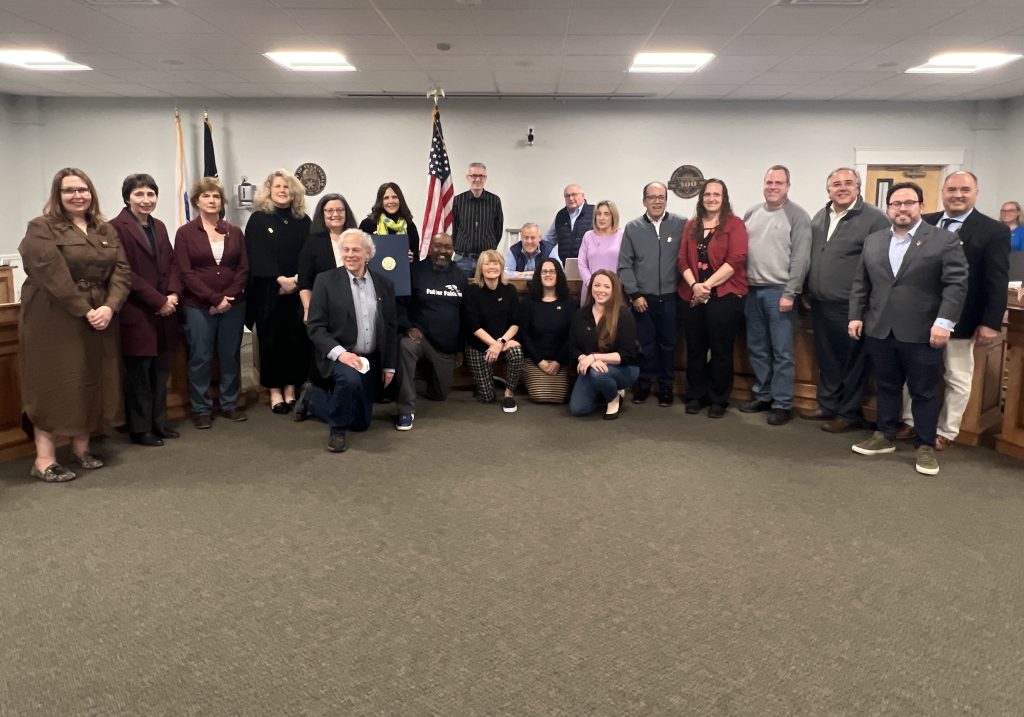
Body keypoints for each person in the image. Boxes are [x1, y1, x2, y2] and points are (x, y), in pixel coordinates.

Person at [18, 167, 131, 482]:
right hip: (54, 316)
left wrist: (109, 306)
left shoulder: (104, 229)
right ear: (58, 195)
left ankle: (82, 449)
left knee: (89, 376)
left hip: (99, 313)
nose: (77, 195)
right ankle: (44, 459)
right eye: (69, 190)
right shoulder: (41, 228)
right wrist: (85, 309)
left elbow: (122, 271)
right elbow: (51, 274)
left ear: (91, 193)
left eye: (83, 189)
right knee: (53, 382)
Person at [848, 182, 968, 476]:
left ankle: (925, 445)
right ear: (888, 208)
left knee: (924, 391)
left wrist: (944, 323)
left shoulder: (943, 240)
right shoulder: (874, 240)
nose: (902, 208)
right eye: (896, 204)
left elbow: (956, 284)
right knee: (887, 385)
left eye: (909, 203)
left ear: (921, 206)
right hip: (880, 328)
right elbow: (862, 282)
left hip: (923, 330)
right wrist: (856, 316)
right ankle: (884, 435)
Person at [897, 171, 1011, 450]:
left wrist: (991, 322)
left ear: (976, 193)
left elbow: (997, 279)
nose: (957, 195)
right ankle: (911, 422)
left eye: (965, 190)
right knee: (914, 372)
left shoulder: (993, 230)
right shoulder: (925, 221)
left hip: (963, 318)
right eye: (951, 190)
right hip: (919, 316)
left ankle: (946, 430)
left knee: (957, 376)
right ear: (943, 192)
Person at [802, 167, 891, 433]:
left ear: (858, 187)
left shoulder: (875, 219)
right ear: (828, 189)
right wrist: (806, 289)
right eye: (836, 184)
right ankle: (828, 405)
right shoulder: (821, 216)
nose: (842, 188)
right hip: (820, 303)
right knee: (828, 359)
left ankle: (849, 413)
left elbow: (880, 266)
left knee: (854, 362)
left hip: (852, 306)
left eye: (848, 183)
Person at [294, 229, 397, 453]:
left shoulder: (384, 284)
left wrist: (389, 366)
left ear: (368, 253)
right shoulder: (325, 281)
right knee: (349, 380)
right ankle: (337, 431)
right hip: (340, 355)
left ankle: (313, 399)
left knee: (361, 423)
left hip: (370, 360)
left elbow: (390, 328)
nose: (350, 254)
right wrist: (342, 354)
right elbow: (315, 327)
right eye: (346, 250)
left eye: (356, 250)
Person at [110, 173, 181, 447]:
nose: (146, 199)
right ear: (127, 198)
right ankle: (140, 429)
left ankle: (159, 423)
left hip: (164, 312)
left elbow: (172, 263)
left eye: (150, 194)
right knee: (139, 374)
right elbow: (124, 272)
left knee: (161, 372)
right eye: (139, 194)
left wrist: (172, 294)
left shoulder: (159, 226)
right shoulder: (115, 227)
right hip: (137, 311)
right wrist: (157, 301)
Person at [739, 165, 812, 426]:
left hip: (780, 291)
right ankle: (764, 395)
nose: (773, 187)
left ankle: (782, 403)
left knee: (782, 351)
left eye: (778, 183)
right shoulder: (752, 213)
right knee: (757, 347)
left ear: (788, 186)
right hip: (752, 291)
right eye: (769, 182)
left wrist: (791, 292)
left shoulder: (798, 216)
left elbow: (801, 258)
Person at [175, 177, 249, 429]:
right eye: (206, 196)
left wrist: (227, 297)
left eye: (216, 196)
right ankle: (201, 408)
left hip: (233, 305)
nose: (211, 200)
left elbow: (243, 268)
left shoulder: (234, 231)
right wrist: (215, 298)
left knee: (230, 355)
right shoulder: (185, 233)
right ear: (197, 201)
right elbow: (185, 272)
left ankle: (229, 403)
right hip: (198, 305)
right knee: (201, 357)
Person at [677, 178, 749, 418]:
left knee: (721, 350)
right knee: (695, 349)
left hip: (724, 296)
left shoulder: (735, 225)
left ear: (724, 198)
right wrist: (695, 286)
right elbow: (682, 260)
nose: (711, 198)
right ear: (701, 198)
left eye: (716, 194)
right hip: (692, 294)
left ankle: (718, 398)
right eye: (707, 194)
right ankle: (696, 395)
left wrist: (706, 285)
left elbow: (735, 260)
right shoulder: (692, 225)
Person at [244, 169, 311, 414]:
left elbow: (309, 253)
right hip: (268, 291)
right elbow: (255, 253)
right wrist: (279, 279)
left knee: (296, 340)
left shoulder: (303, 220)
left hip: (297, 291)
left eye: (287, 186)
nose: (283, 190)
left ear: (294, 192)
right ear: (269, 191)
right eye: (278, 186)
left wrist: (296, 280)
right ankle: (274, 390)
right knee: (271, 341)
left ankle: (291, 388)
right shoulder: (258, 219)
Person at [618, 181, 686, 407]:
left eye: (661, 197)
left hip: (670, 297)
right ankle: (644, 384)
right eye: (652, 197)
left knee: (668, 345)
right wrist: (634, 294)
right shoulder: (633, 228)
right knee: (644, 345)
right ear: (644, 201)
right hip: (642, 299)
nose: (657, 201)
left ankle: (666, 387)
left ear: (666, 200)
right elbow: (625, 265)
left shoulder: (681, 224)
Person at [395, 232, 468, 431]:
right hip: (420, 338)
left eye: (447, 247)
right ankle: (405, 409)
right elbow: (400, 303)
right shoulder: (415, 271)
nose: (442, 251)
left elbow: (464, 315)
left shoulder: (460, 276)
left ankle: (409, 384)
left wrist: (460, 348)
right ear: (430, 248)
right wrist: (408, 327)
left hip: (445, 344)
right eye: (438, 246)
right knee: (405, 346)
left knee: (440, 394)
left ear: (453, 250)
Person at [568, 270, 640, 419]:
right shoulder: (581, 314)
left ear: (614, 290)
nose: (601, 290)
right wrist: (585, 359)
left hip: (624, 368)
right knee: (578, 408)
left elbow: (627, 354)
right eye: (597, 285)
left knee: (598, 374)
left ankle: (613, 398)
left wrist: (594, 357)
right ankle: (606, 388)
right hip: (592, 368)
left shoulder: (624, 314)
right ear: (591, 288)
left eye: (606, 286)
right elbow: (572, 347)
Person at [462, 250, 523, 413]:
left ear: (501, 266)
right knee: (487, 397)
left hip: (503, 343)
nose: (491, 267)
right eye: (487, 263)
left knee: (516, 352)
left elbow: (515, 323)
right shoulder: (472, 291)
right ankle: (485, 383)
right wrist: (494, 345)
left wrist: (501, 343)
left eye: (495, 263)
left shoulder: (509, 290)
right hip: (478, 345)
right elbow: (473, 326)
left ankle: (509, 393)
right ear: (480, 268)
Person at [518, 258, 574, 404]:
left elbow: (572, 335)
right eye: (544, 271)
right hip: (534, 359)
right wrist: (539, 361)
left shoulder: (568, 302)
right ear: (539, 275)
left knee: (558, 396)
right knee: (540, 394)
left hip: (559, 360)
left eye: (552, 271)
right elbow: (523, 335)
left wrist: (558, 361)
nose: (548, 274)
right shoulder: (529, 302)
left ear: (558, 275)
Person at [298, 193, 357, 323]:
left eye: (340, 210)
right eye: (329, 210)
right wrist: (308, 308)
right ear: (322, 214)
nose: (335, 214)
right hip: (324, 308)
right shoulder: (313, 242)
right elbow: (304, 281)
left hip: (356, 305)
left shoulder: (357, 239)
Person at [452, 162, 504, 276]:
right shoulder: (458, 200)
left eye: (481, 176)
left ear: (485, 178)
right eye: (474, 175)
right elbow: (455, 227)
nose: (477, 179)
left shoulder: (495, 201)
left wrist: (490, 247)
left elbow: (498, 229)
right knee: (461, 287)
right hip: (463, 260)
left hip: (487, 260)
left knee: (487, 288)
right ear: (468, 177)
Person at [358, 182, 421, 260]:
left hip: (403, 268)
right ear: (381, 201)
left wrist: (411, 259)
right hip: (374, 268)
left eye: (394, 197)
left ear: (400, 200)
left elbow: (416, 258)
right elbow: (358, 254)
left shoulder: (409, 225)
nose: (391, 201)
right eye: (386, 198)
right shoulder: (367, 224)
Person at [577, 200, 623, 305]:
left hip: (614, 289)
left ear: (613, 216)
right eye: (599, 214)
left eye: (606, 214)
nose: (602, 218)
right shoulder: (588, 236)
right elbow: (581, 263)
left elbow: (627, 263)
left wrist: (614, 284)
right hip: (591, 290)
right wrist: (591, 283)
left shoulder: (622, 235)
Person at [543, 184, 593, 260]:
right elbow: (548, 240)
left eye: (574, 195)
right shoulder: (561, 215)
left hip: (589, 263)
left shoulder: (594, 212)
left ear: (583, 196)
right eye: (567, 196)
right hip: (566, 264)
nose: (570, 198)